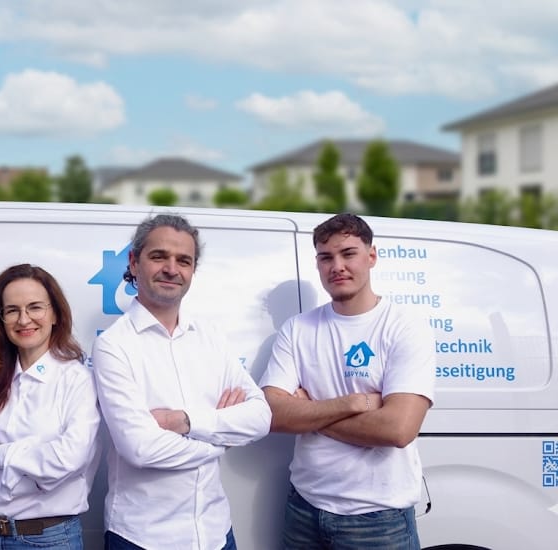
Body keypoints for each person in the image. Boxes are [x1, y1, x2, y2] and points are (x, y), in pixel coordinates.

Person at [92, 213, 272, 550]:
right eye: (159, 256)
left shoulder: (210, 337)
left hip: (216, 532)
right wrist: (224, 438)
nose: (172, 269)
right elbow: (141, 449)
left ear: (192, 270)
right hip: (143, 538)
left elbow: (261, 417)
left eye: (183, 260)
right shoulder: (114, 346)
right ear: (134, 262)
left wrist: (185, 422)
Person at [259, 213, 436, 550]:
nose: (336, 265)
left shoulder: (404, 326)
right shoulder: (298, 329)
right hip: (304, 506)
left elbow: (397, 430)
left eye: (348, 253)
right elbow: (271, 413)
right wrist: (353, 404)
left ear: (371, 256)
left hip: (377, 518)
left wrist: (307, 411)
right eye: (326, 257)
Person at [0, 264, 101, 549]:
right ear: (0, 319)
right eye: (12, 310)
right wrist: (10, 488)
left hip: (49, 540)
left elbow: (67, 459)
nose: (24, 319)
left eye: (35, 307)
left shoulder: (76, 380)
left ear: (55, 313)